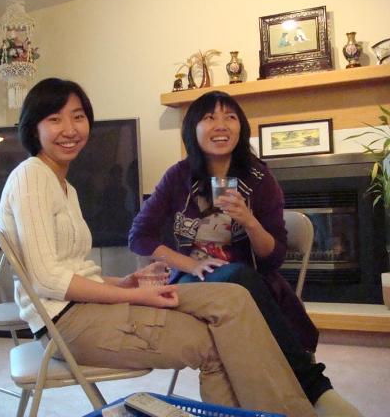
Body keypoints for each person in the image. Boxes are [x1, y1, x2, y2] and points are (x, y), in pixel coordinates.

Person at [0, 78, 325, 416]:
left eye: (78, 117)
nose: (70, 129)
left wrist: (124, 283)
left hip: (88, 306)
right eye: (55, 119)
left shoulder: (64, 186)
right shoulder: (32, 176)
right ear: (33, 127)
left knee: (236, 297)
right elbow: (48, 279)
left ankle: (297, 401)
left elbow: (68, 268)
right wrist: (138, 295)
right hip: (67, 323)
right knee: (217, 342)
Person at [129, 90, 361, 416]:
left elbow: (273, 259)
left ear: (241, 127)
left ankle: (275, 401)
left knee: (239, 278)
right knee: (237, 277)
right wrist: (189, 263)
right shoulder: (178, 177)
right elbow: (139, 236)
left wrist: (249, 221)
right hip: (190, 283)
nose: (221, 125)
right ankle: (317, 389)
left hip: (248, 285)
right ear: (193, 129)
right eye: (209, 117)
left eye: (230, 117)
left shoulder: (259, 179)